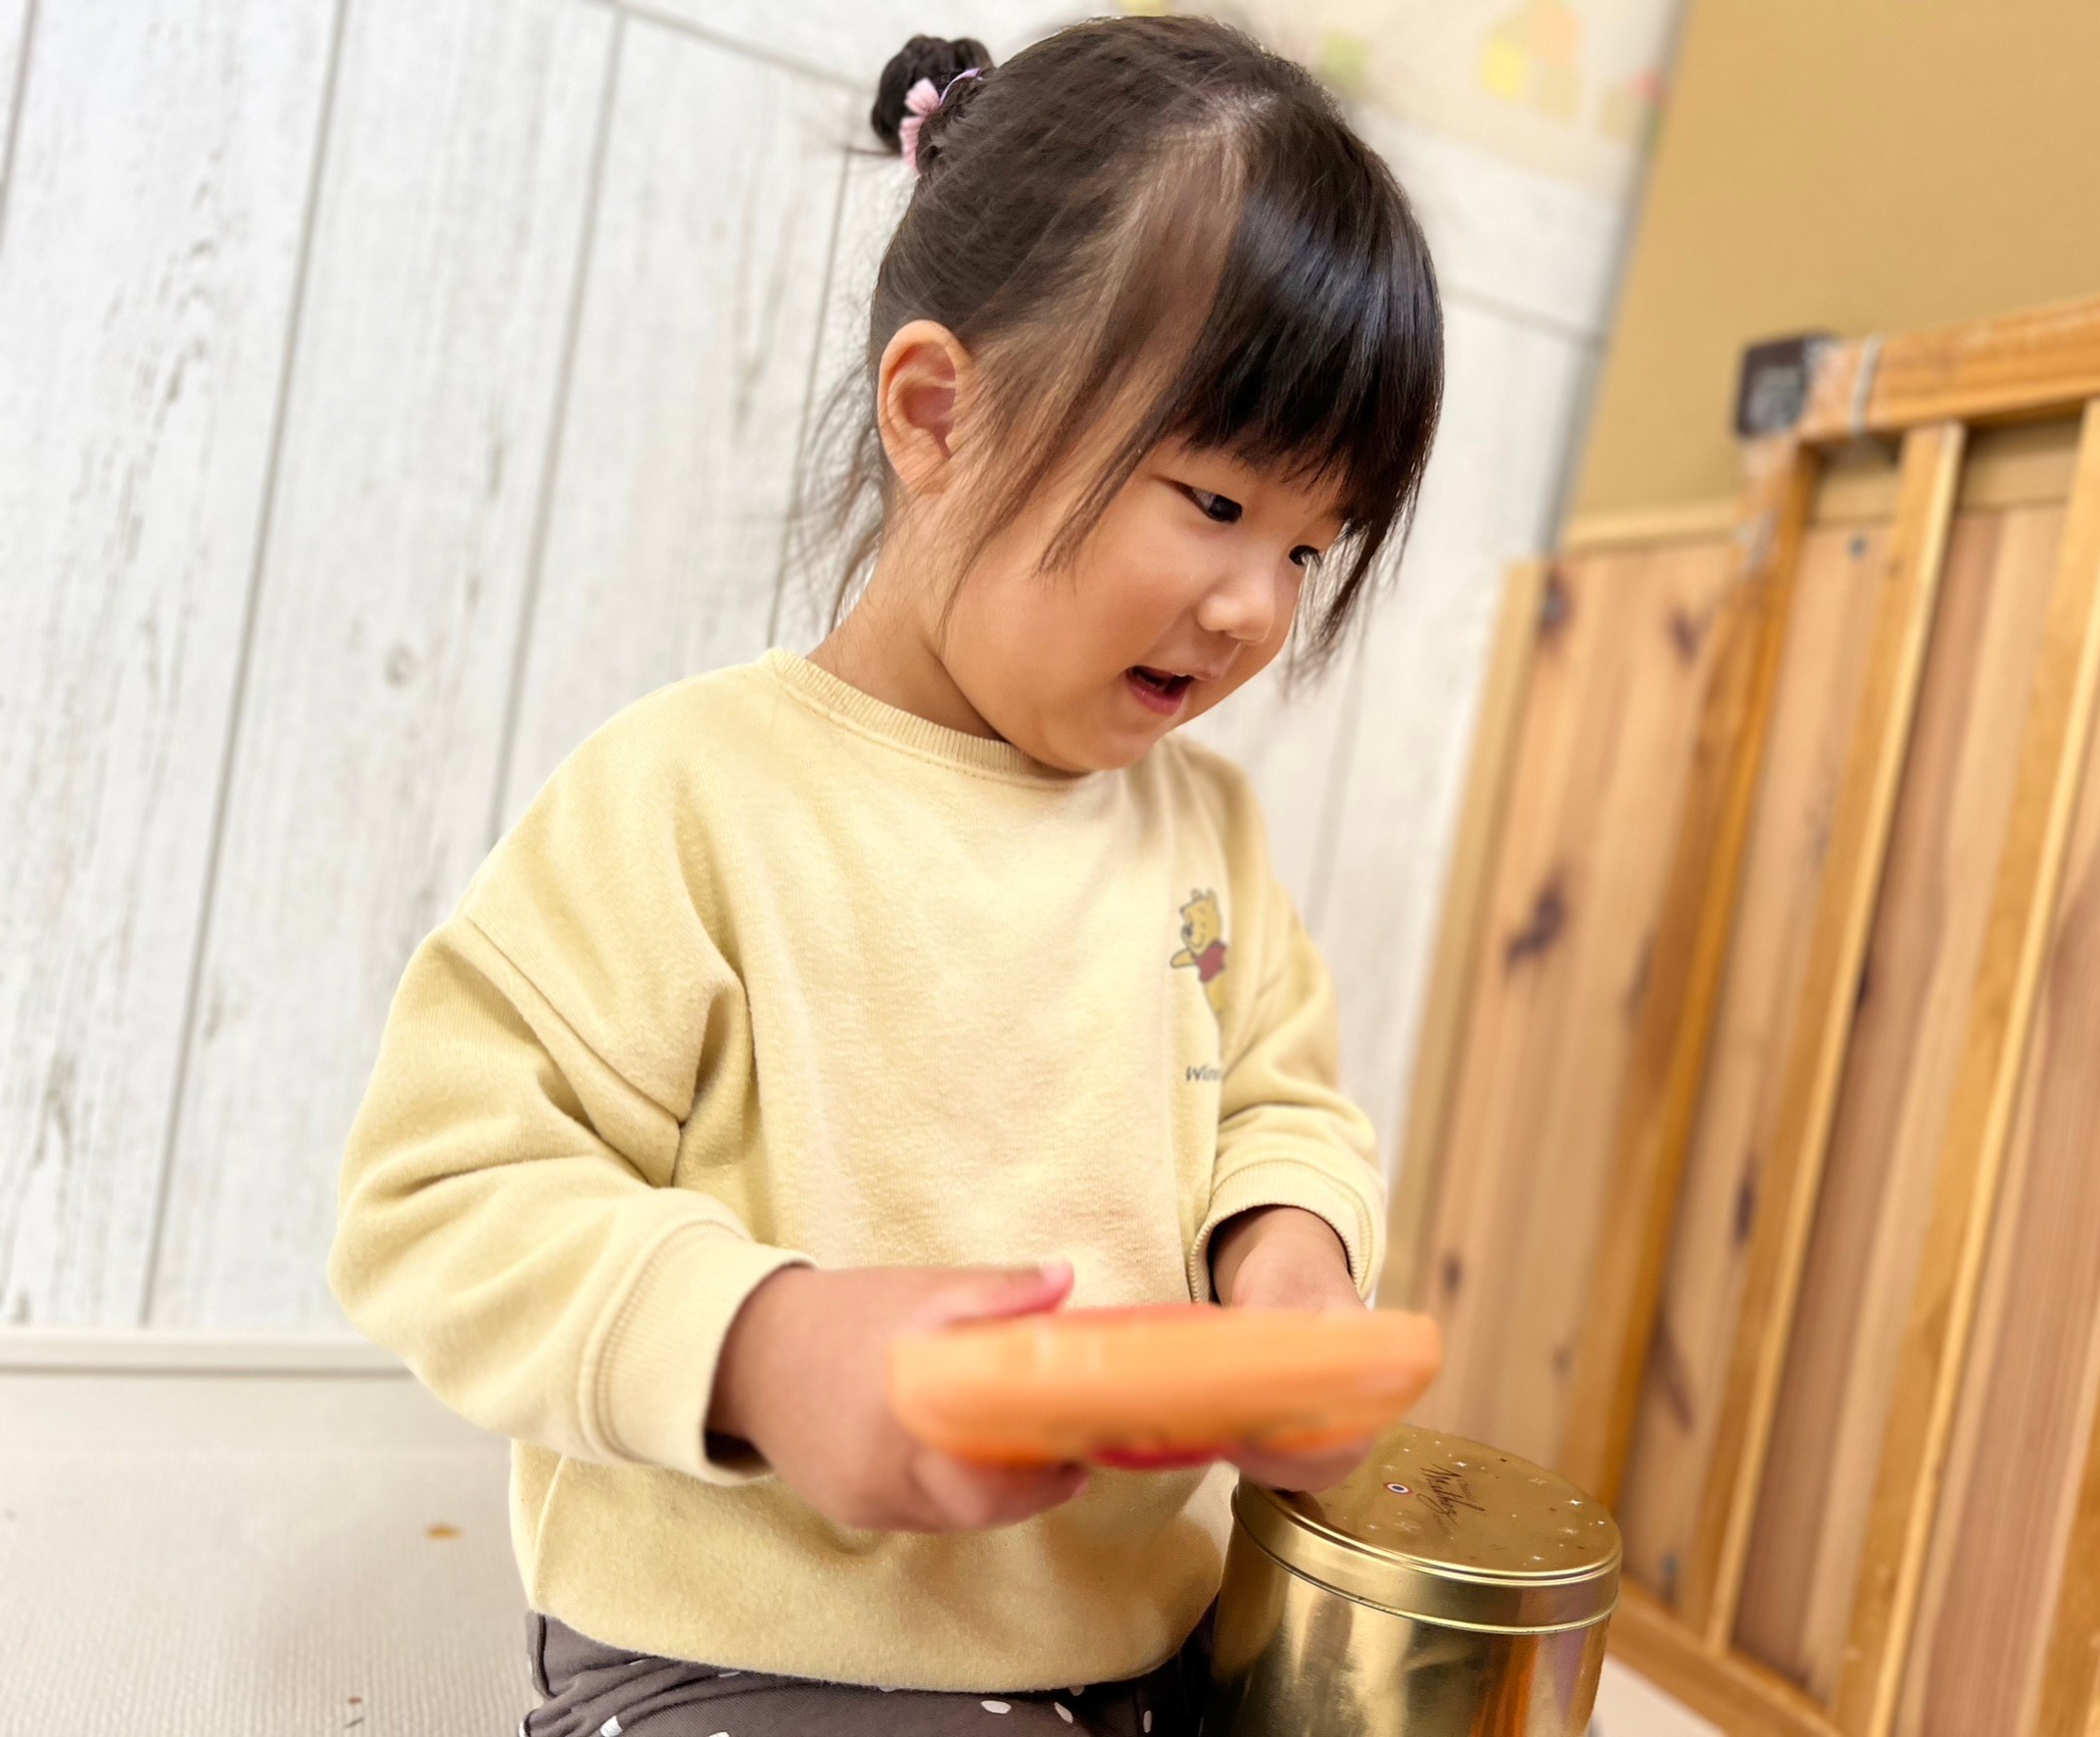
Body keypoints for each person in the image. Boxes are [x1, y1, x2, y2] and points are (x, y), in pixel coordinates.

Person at [328, 16, 1443, 1734]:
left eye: (1311, 542)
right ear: (939, 413)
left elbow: (1279, 1100)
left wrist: (1288, 1257)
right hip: (743, 1646)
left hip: (1131, 1638)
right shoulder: (692, 799)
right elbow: (438, 1192)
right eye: (1217, 503)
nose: (1256, 610)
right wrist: (766, 1347)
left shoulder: (1203, 832)